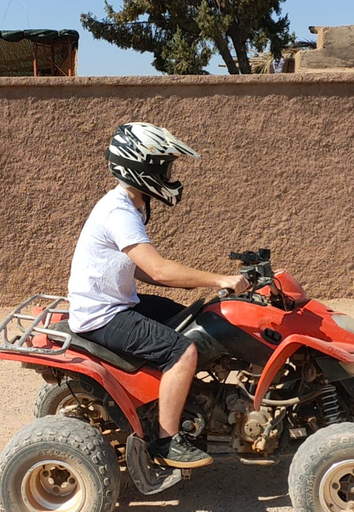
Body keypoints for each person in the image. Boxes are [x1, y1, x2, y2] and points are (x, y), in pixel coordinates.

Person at [67, 122, 249, 469]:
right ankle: (166, 442)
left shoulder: (129, 204)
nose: (169, 175)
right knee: (183, 350)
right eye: (163, 167)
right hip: (104, 315)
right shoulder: (119, 211)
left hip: (114, 301)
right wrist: (218, 279)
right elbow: (159, 270)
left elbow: (143, 269)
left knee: (194, 321)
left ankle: (181, 400)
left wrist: (199, 284)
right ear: (142, 168)